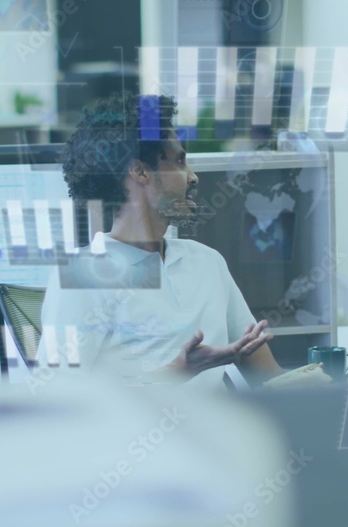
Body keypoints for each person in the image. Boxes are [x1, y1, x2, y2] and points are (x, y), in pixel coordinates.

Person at [35, 92, 285, 386]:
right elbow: (52, 398)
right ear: (140, 171)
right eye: (179, 161)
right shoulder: (80, 275)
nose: (193, 177)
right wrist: (176, 372)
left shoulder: (206, 261)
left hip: (218, 430)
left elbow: (270, 378)